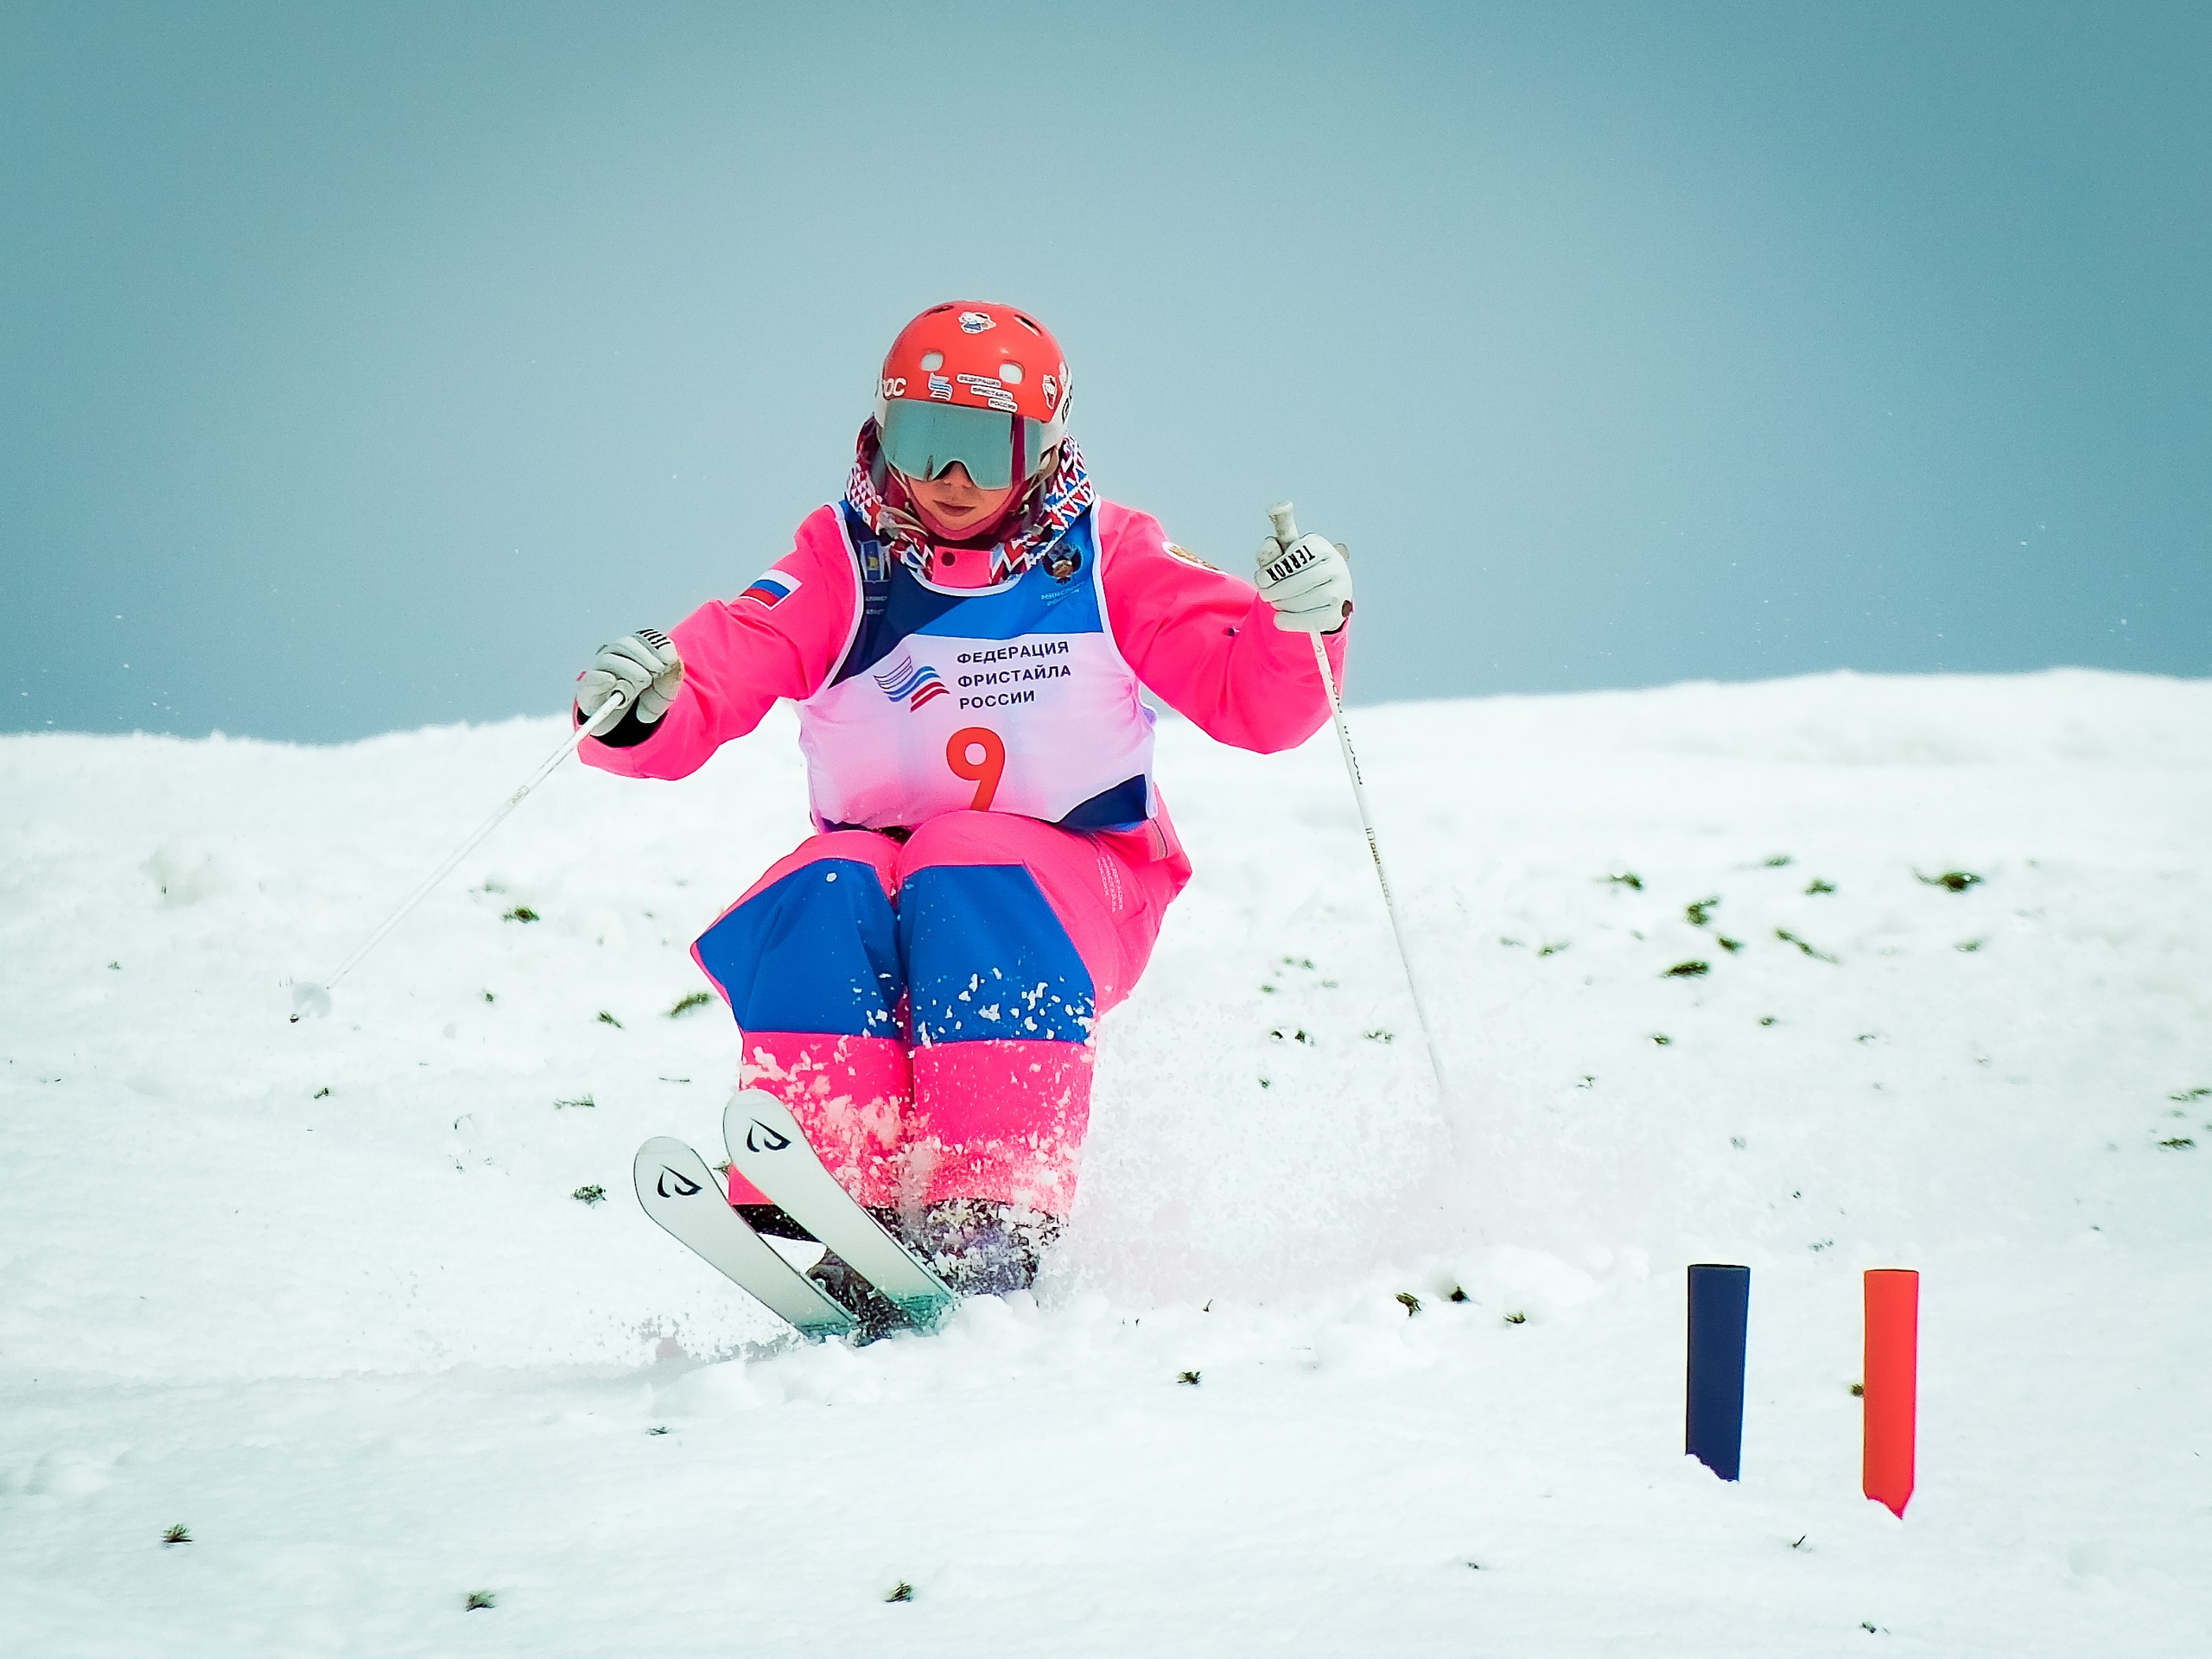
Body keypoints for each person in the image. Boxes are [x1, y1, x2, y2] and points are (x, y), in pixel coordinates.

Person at [574, 300, 1351, 1304]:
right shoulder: (843, 563)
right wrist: (646, 704)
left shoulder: (1109, 559)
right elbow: (734, 653)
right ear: (883, 431)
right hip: (895, 897)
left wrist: (1301, 629)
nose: (951, 480)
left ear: (1044, 445)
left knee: (964, 857)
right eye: (927, 442)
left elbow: (1253, 699)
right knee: (824, 881)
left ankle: (993, 1212)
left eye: (987, 449)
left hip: (1080, 889)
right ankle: (840, 1192)